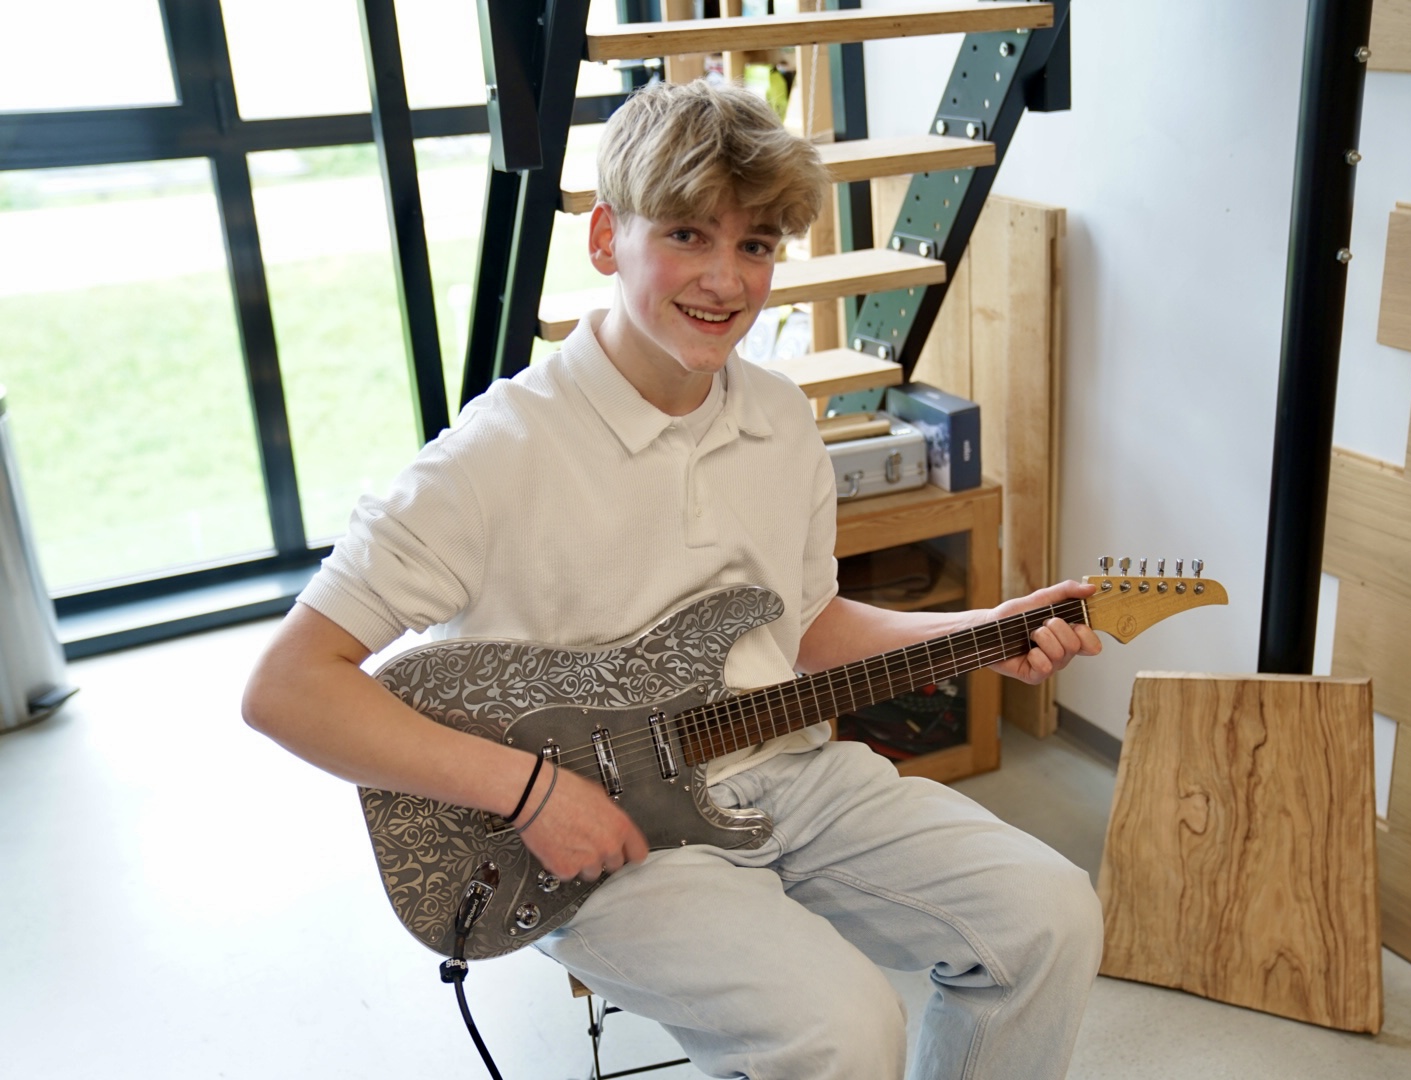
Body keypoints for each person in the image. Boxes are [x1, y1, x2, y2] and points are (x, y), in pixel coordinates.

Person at [242, 78, 1105, 1079]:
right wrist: (526, 792)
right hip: (605, 834)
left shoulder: (780, 421)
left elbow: (804, 625)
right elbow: (287, 687)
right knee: (841, 1029)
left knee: (1049, 916)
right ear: (607, 239)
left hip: (791, 775)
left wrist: (989, 630)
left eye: (754, 246)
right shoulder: (494, 457)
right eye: (687, 235)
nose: (725, 280)